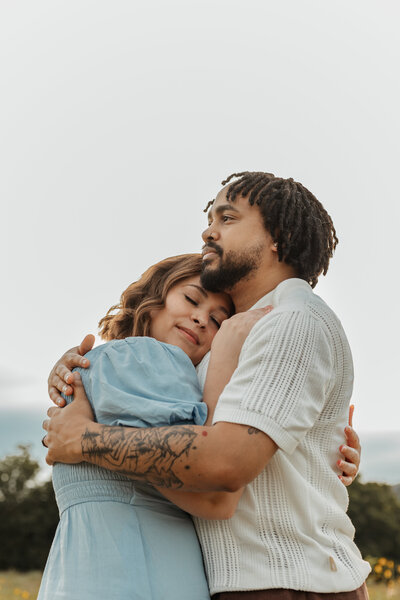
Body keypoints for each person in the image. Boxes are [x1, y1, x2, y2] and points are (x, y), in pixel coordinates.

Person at [44, 171, 368, 599]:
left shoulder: (290, 320)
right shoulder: (228, 342)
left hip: (291, 583)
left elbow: (223, 465)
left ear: (280, 236)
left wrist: (85, 439)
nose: (208, 231)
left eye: (228, 218)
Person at [38, 253, 270, 600]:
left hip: (112, 573)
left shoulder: (118, 363)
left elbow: (212, 493)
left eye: (219, 321)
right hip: (135, 571)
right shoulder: (137, 360)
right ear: (153, 301)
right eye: (191, 299)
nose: (200, 318)